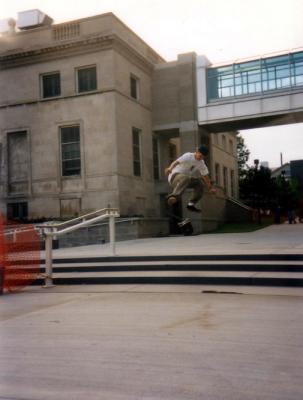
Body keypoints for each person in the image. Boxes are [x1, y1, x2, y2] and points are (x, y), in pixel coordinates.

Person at [165, 145, 216, 212]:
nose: (200, 158)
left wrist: (210, 188)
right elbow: (176, 162)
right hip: (174, 177)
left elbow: (205, 176)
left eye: (203, 157)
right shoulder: (188, 156)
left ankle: (191, 204)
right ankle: (174, 196)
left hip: (185, 181)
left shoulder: (201, 163)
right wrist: (170, 168)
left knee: (199, 183)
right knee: (186, 178)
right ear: (197, 151)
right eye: (200, 156)